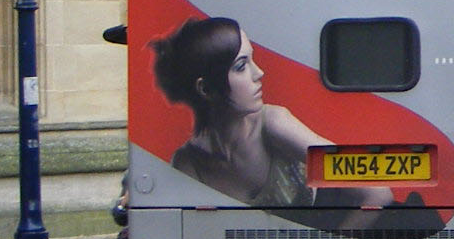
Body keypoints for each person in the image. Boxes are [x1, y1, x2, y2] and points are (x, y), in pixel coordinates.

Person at [151, 17, 401, 228]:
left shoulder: (272, 123)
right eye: (241, 66)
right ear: (205, 88)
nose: (259, 73)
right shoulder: (189, 163)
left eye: (252, 60)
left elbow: (376, 191)